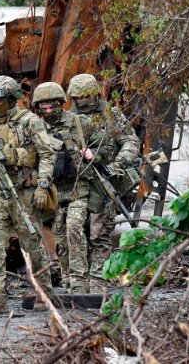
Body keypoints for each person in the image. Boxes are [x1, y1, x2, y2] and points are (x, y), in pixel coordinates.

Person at [0, 75, 56, 314]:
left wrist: (42, 186)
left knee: (32, 245)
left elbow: (47, 154)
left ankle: (43, 293)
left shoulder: (29, 122)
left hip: (24, 191)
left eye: (1, 100)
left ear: (12, 98)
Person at [34, 82, 113, 293]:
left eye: (53, 107)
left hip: (79, 187)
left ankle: (80, 281)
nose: (49, 112)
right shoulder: (36, 128)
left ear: (61, 104)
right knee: (59, 236)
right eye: (44, 108)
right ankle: (68, 278)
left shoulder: (79, 122)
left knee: (74, 228)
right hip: (55, 191)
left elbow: (106, 145)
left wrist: (92, 153)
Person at [67, 73, 140, 292]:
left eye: (87, 96)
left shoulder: (111, 115)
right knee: (74, 231)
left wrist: (119, 163)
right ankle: (76, 282)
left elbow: (130, 141)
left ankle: (99, 283)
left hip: (105, 179)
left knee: (100, 233)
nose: (82, 101)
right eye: (78, 97)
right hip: (76, 183)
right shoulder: (67, 118)